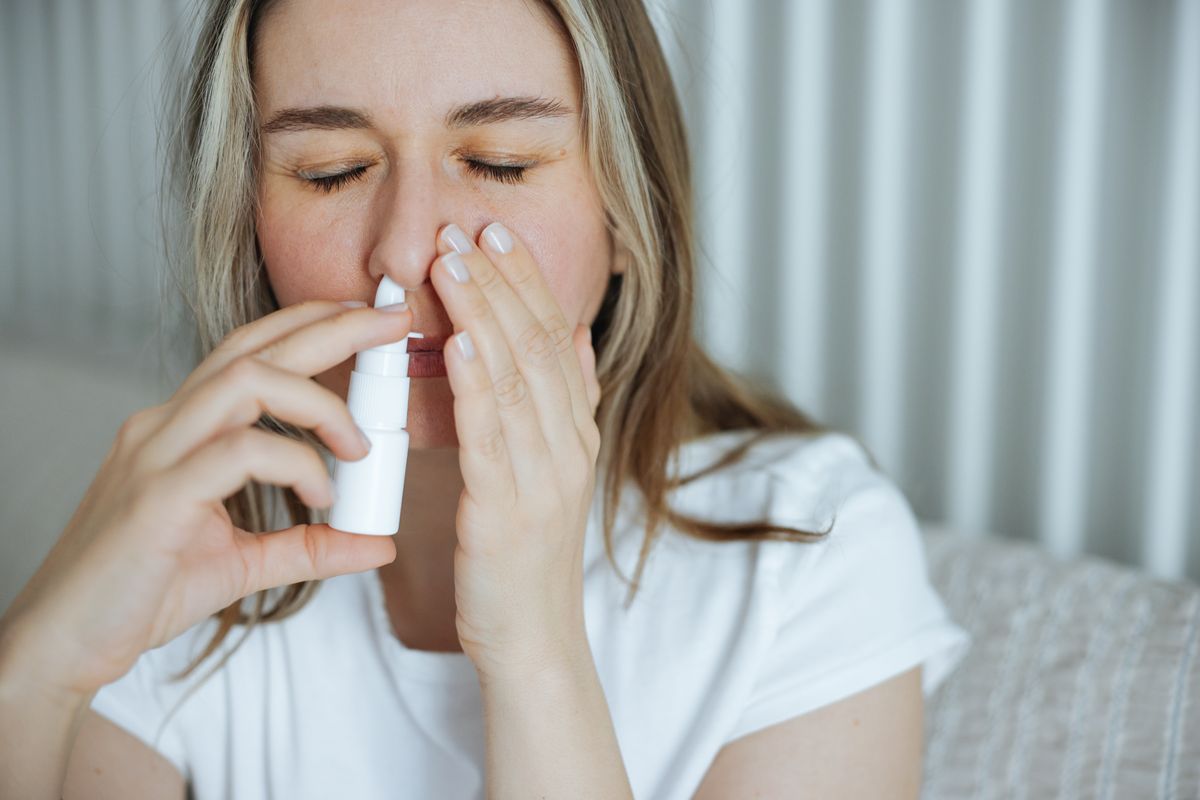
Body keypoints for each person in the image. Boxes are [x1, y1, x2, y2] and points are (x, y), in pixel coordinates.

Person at [0, 0, 971, 797]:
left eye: (499, 159)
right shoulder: (196, 557)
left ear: (628, 215)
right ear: (250, 218)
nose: (405, 248)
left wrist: (535, 644)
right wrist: (32, 672)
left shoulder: (806, 556)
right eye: (332, 171)